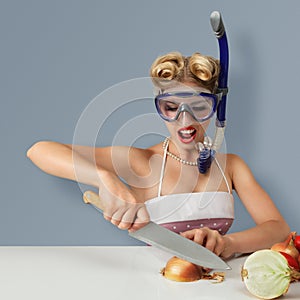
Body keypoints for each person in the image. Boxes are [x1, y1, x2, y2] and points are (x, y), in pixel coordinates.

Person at [27, 51, 290, 259]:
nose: (184, 120)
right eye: (171, 107)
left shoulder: (230, 166)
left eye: (199, 107)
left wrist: (228, 243)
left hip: (220, 282)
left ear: (216, 109)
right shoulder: (139, 162)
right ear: (159, 108)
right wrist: (104, 179)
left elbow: (278, 228)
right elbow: (39, 150)